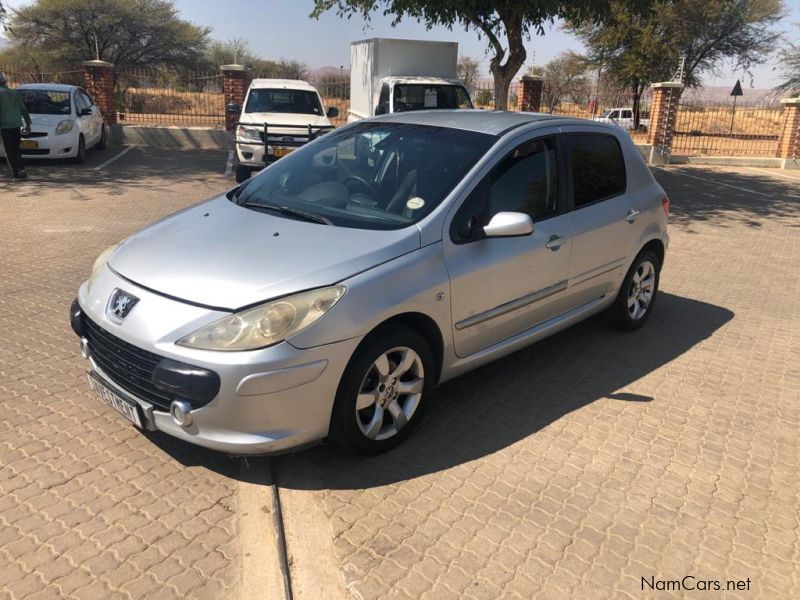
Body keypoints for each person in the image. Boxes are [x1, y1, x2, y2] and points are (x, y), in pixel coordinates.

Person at [0, 72, 32, 180]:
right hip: (16, 125)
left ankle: (16, 173)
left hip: (5, 126)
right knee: (16, 149)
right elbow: (23, 109)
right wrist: (28, 123)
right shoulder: (14, 93)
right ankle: (22, 169)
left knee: (10, 151)